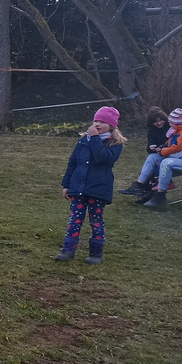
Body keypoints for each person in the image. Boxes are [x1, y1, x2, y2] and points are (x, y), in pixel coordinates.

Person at [55, 107, 126, 265]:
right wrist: (67, 184)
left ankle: (96, 253)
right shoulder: (83, 140)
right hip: (78, 188)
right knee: (75, 220)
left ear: (111, 126)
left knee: (96, 221)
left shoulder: (115, 144)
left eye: (102, 122)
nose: (98, 124)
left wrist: (94, 138)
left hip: (98, 189)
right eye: (96, 121)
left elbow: (102, 158)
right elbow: (73, 162)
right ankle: (68, 250)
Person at [120, 106, 182, 199]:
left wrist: (163, 151)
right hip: (168, 153)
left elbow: (178, 146)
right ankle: (140, 185)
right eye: (155, 122)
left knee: (155, 163)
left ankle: (154, 191)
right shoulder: (168, 130)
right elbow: (167, 143)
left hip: (180, 157)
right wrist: (156, 148)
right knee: (152, 158)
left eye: (161, 120)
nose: (159, 123)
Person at [140, 104, 182, 209]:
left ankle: (160, 196)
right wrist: (162, 149)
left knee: (166, 162)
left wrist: (170, 154)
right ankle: (141, 186)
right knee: (154, 158)